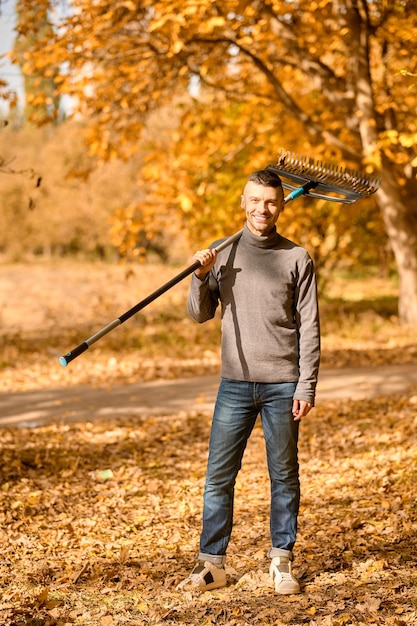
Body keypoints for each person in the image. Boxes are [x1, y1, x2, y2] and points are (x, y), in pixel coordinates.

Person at [177, 168, 320, 595]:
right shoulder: (223, 253)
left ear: (282, 204)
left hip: (282, 385)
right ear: (244, 203)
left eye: (271, 201)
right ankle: (212, 565)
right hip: (235, 385)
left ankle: (281, 561)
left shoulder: (297, 258)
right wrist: (200, 276)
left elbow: (310, 327)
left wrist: (306, 385)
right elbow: (199, 314)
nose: (263, 208)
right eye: (255, 201)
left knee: (284, 476)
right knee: (219, 476)